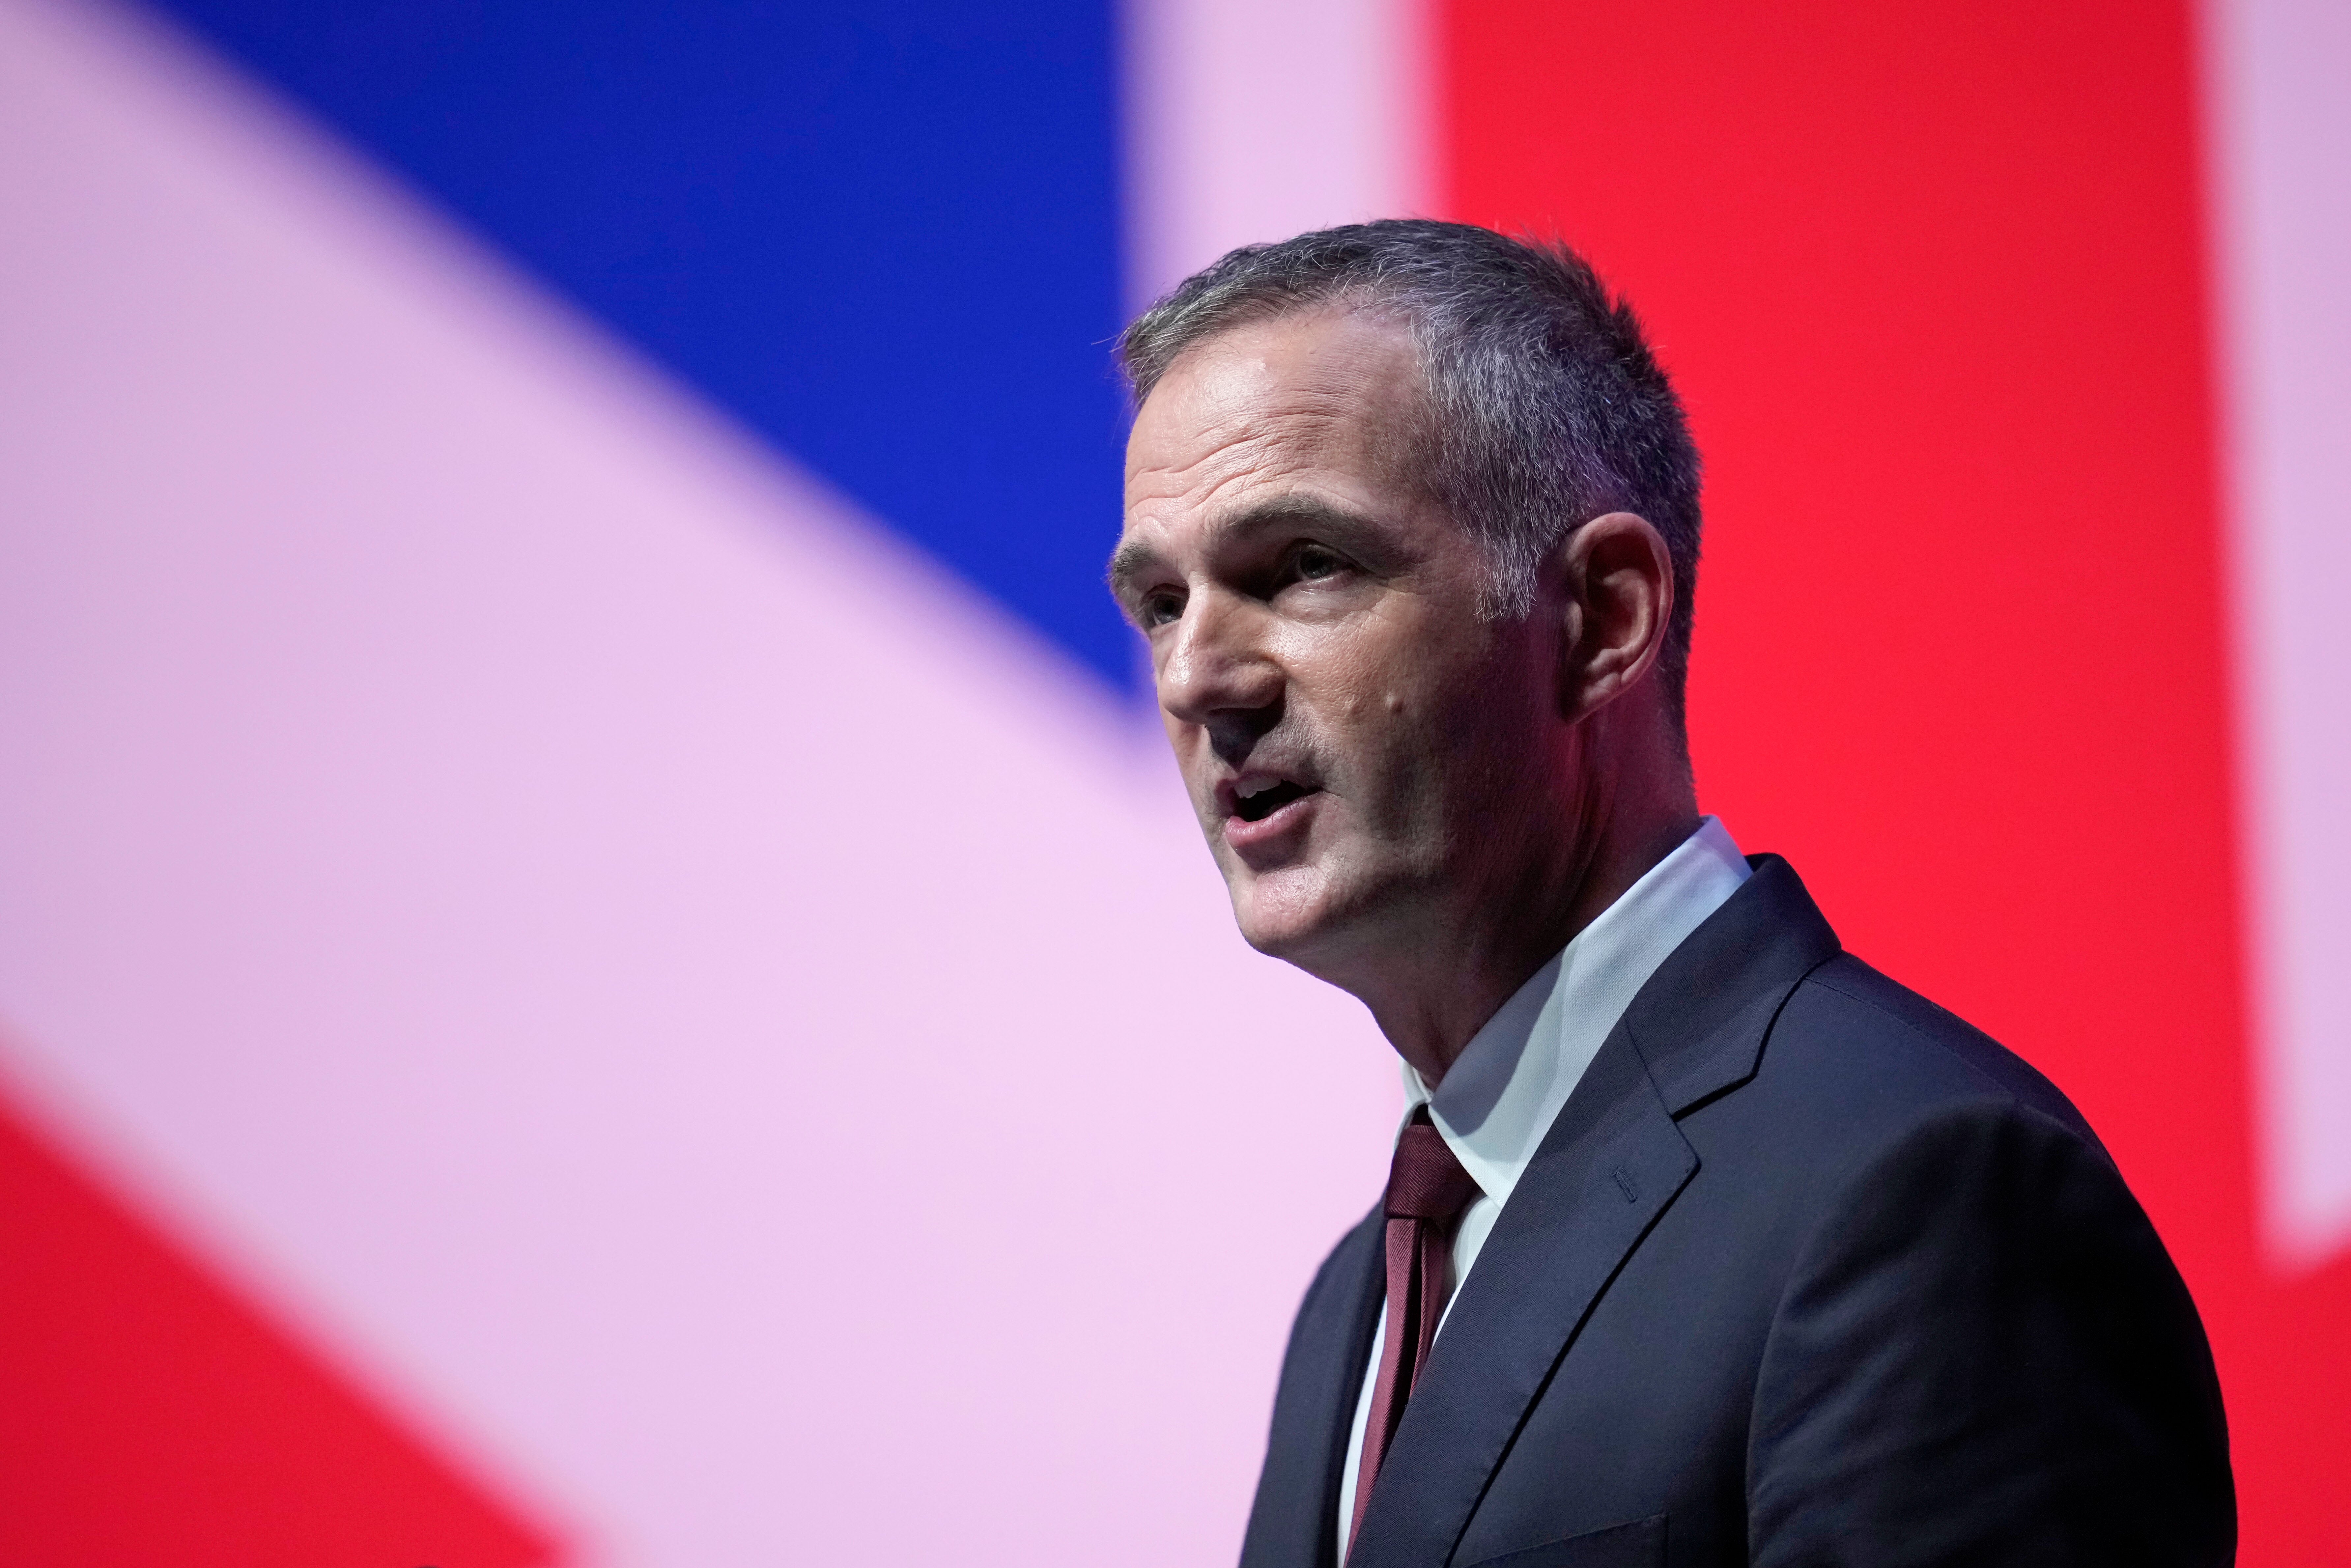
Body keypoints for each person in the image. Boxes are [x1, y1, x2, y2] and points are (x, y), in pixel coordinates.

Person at [1106, 221, 2233, 1568]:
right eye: (1162, 601)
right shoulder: (1358, 1294)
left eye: (1302, 566)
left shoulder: (1919, 1193)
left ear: (1600, 615)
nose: (1196, 678)